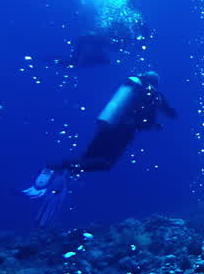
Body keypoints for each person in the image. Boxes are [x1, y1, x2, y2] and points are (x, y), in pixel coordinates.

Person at [23, 71, 176, 226]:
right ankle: (58, 166)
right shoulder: (154, 94)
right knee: (106, 163)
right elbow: (165, 115)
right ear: (156, 83)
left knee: (86, 159)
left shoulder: (132, 88)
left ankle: (59, 172)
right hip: (122, 133)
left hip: (105, 127)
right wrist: (156, 121)